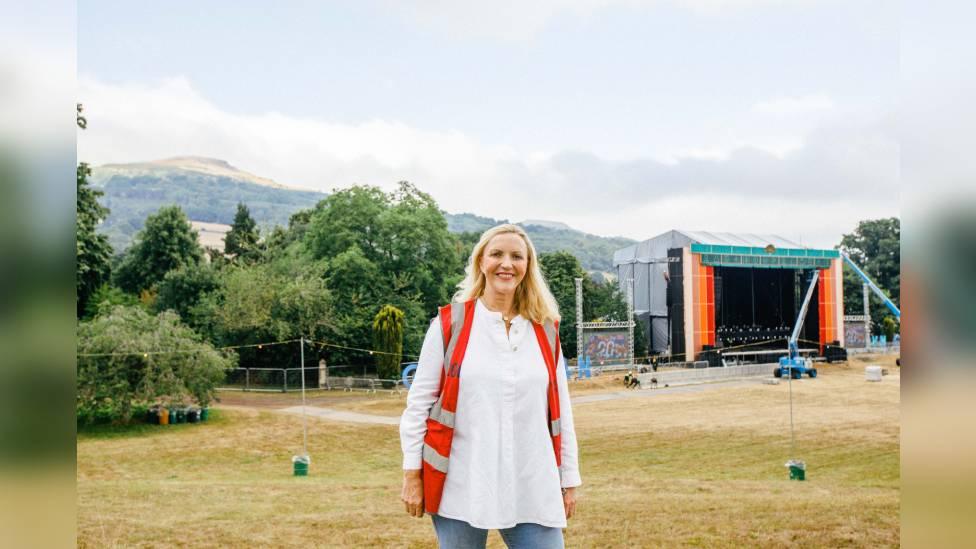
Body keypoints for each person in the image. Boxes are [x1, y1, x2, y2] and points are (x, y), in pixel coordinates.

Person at [399, 224, 581, 549]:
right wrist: (412, 475)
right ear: (481, 261)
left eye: (517, 256)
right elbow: (418, 408)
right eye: (497, 254)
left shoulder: (546, 332)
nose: (506, 264)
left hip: (532, 483)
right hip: (462, 482)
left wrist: (569, 481)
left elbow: (562, 415)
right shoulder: (448, 325)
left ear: (528, 267)